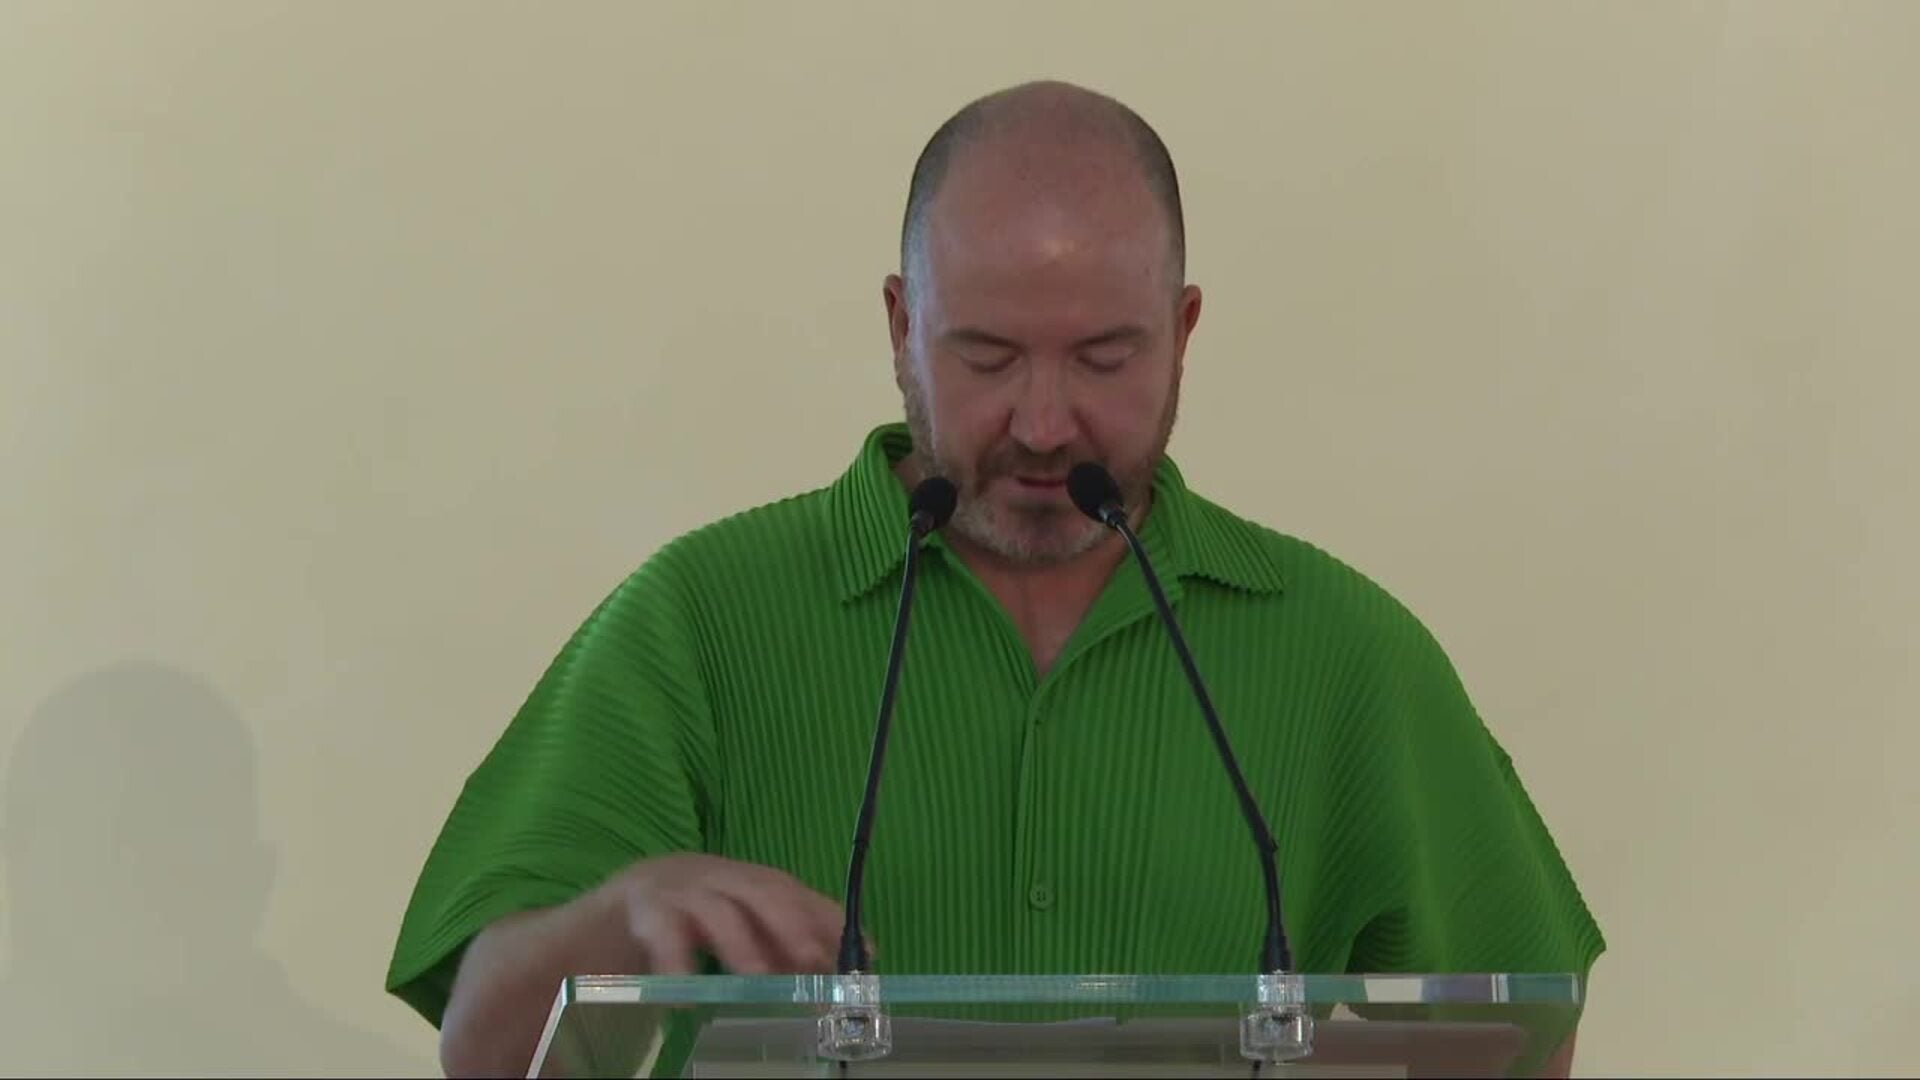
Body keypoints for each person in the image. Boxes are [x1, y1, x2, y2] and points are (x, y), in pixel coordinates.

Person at [385, 79, 1605, 1078]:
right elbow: (481, 1050)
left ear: (1183, 332)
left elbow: (1522, 1042)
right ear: (900, 326)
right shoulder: (698, 621)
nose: (1043, 422)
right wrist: (614, 919)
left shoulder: (1344, 650)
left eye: (1104, 358)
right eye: (986, 355)